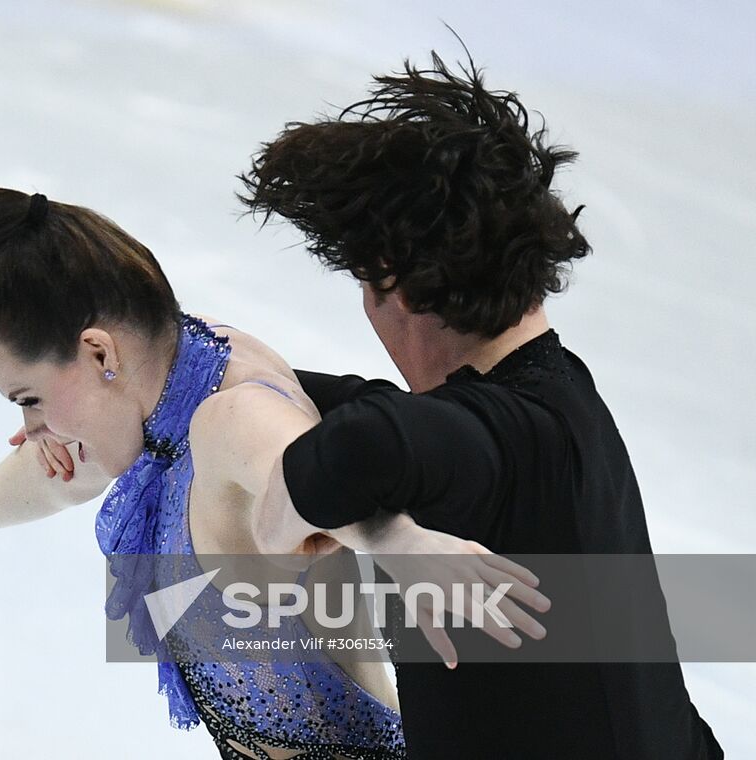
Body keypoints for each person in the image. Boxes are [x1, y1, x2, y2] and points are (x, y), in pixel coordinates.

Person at [0, 187, 546, 759]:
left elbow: (298, 471)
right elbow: (66, 474)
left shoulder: (231, 409)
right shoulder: (158, 385)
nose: (30, 431)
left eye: (27, 399)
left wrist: (400, 540)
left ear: (97, 350)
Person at [236, 52, 724, 758]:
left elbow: (357, 449)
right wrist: (229, 367)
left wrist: (367, 536)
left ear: (393, 286)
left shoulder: (499, 436)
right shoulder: (559, 396)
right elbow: (387, 413)